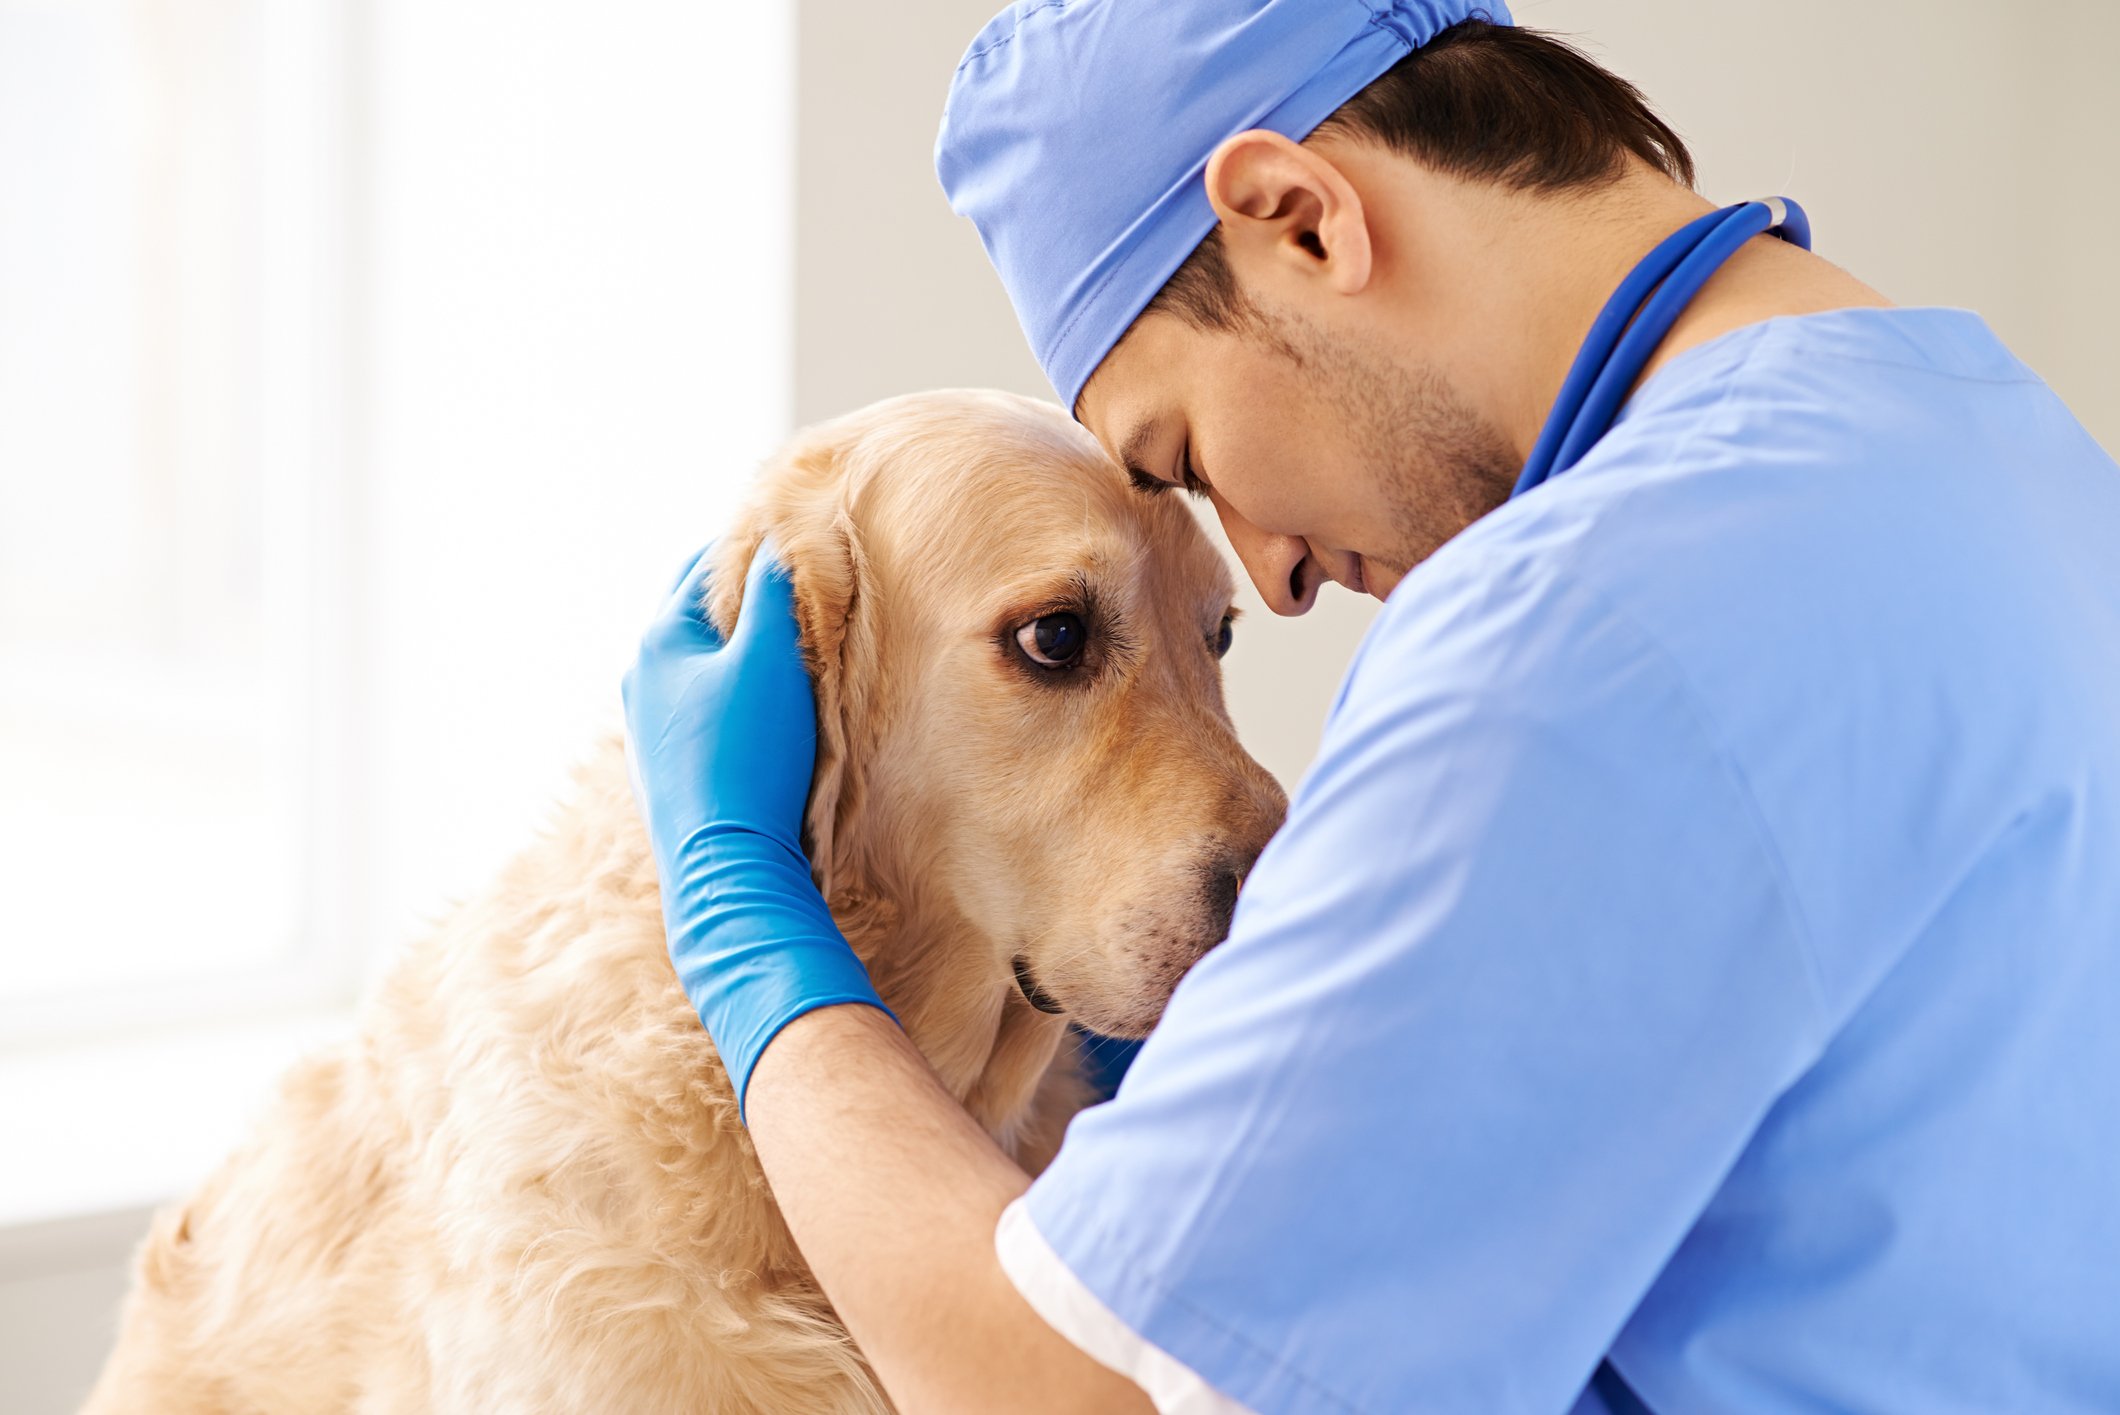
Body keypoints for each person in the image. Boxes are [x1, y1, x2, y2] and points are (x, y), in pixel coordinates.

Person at [621, 3, 2120, 1411]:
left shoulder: (1573, 637)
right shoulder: (2006, 449)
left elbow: (1069, 1393)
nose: (1271, 580)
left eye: (1187, 452)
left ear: (1301, 215)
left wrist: (745, 921)